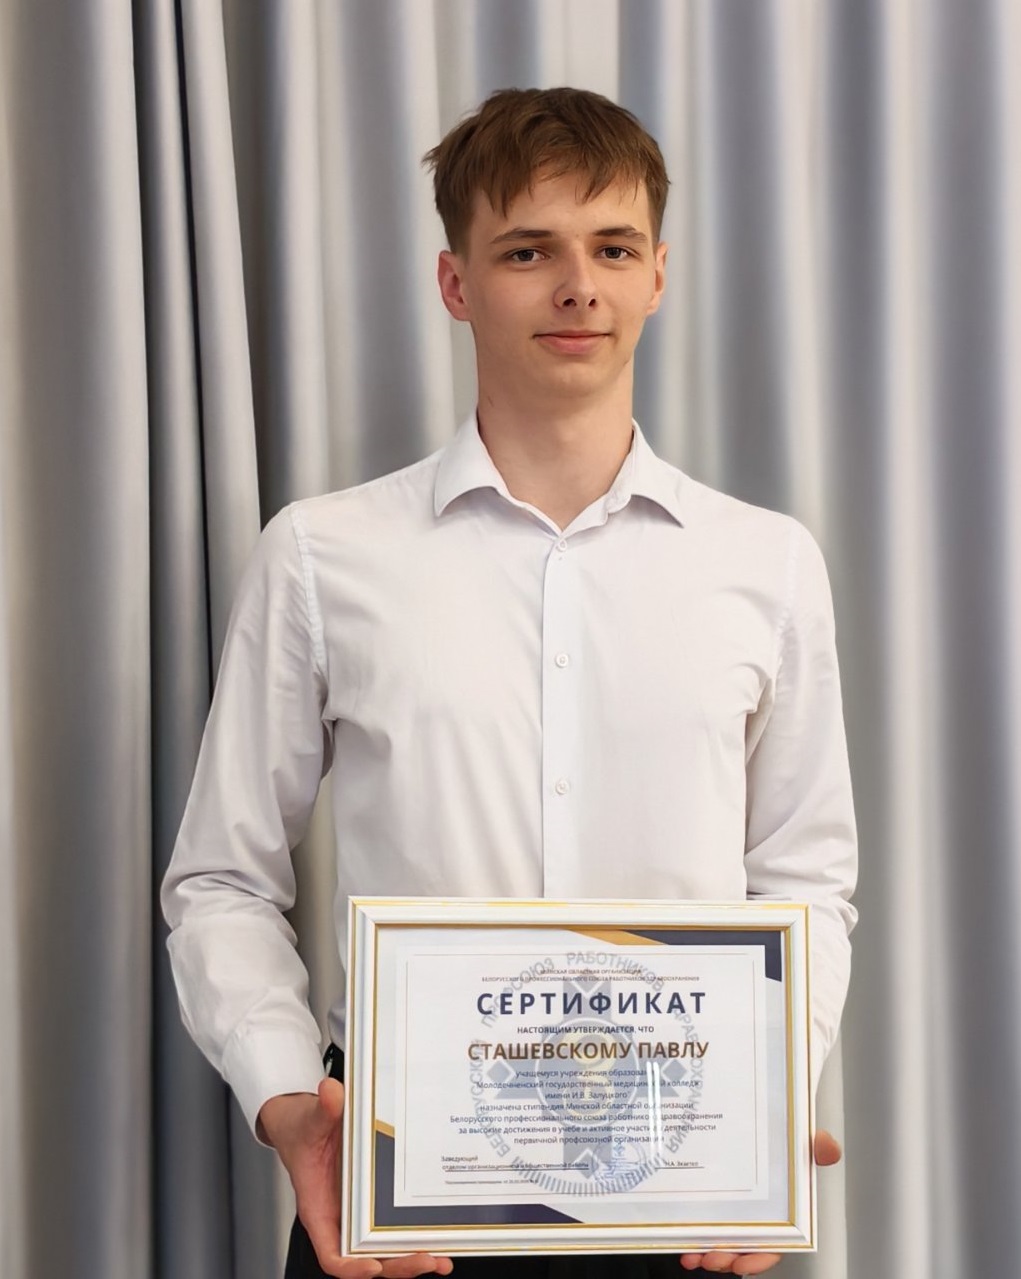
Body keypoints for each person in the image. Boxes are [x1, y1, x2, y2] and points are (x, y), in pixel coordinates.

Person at [162, 87, 856, 1279]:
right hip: (396, 1199)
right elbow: (221, 878)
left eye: (613, 249)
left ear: (657, 275)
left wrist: (767, 1089)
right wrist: (288, 1101)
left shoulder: (768, 563)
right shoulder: (322, 555)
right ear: (455, 282)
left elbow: (805, 874)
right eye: (528, 251)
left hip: (685, 1200)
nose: (578, 286)